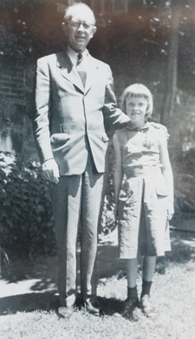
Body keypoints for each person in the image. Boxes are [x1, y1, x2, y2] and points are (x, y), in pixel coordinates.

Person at [34, 2, 130, 319]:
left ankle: (87, 296)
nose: (80, 30)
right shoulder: (48, 65)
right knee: (66, 233)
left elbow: (110, 111)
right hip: (64, 160)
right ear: (65, 27)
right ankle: (66, 297)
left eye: (86, 25)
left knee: (91, 233)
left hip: (96, 161)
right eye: (75, 23)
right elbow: (40, 117)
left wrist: (136, 122)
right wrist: (47, 156)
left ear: (93, 31)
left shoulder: (103, 69)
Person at [113, 83, 174, 319]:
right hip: (130, 194)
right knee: (130, 246)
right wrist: (117, 202)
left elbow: (166, 168)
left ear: (147, 106)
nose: (136, 108)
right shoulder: (118, 135)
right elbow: (117, 170)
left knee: (152, 246)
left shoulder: (159, 133)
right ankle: (131, 296)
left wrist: (169, 201)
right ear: (125, 106)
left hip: (156, 194)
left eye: (140, 104)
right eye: (131, 104)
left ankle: (146, 295)